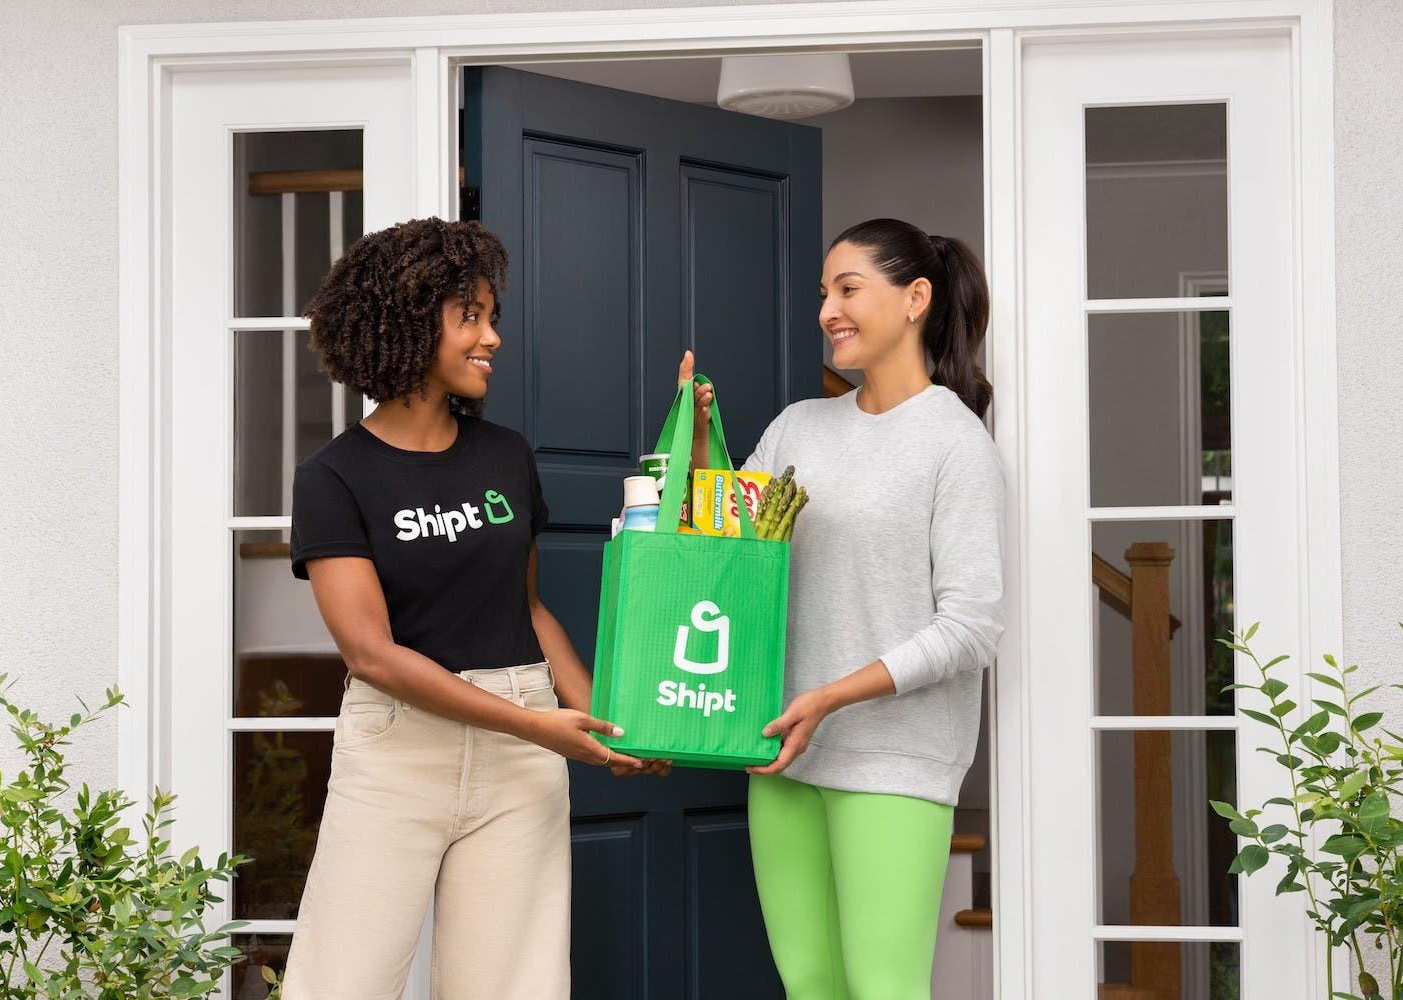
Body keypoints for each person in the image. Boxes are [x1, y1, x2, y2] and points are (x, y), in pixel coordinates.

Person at [279, 217, 662, 1000]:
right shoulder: (334, 478)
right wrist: (540, 726)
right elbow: (371, 654)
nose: (491, 337)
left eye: (491, 317)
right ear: (413, 322)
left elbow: (528, 611)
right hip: (398, 753)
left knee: (514, 988)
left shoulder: (506, 456)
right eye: (471, 318)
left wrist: (608, 723)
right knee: (339, 984)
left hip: (521, 753)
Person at [680, 218, 1005, 1000]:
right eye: (824, 294)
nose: (828, 309)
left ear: (916, 298)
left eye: (848, 289)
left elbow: (972, 627)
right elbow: (723, 550)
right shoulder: (800, 426)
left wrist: (830, 696)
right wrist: (698, 444)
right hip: (784, 754)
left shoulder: (954, 444)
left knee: (883, 987)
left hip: (895, 761)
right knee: (809, 984)